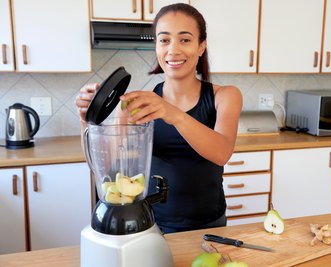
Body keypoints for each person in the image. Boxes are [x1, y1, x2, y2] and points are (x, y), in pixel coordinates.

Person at [75, 3, 242, 233]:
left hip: (209, 224)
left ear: (201, 46)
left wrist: (172, 113)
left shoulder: (225, 96)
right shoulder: (138, 106)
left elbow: (222, 153)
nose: (173, 50)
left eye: (185, 40)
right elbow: (101, 166)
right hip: (152, 223)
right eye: (164, 40)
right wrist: (87, 120)